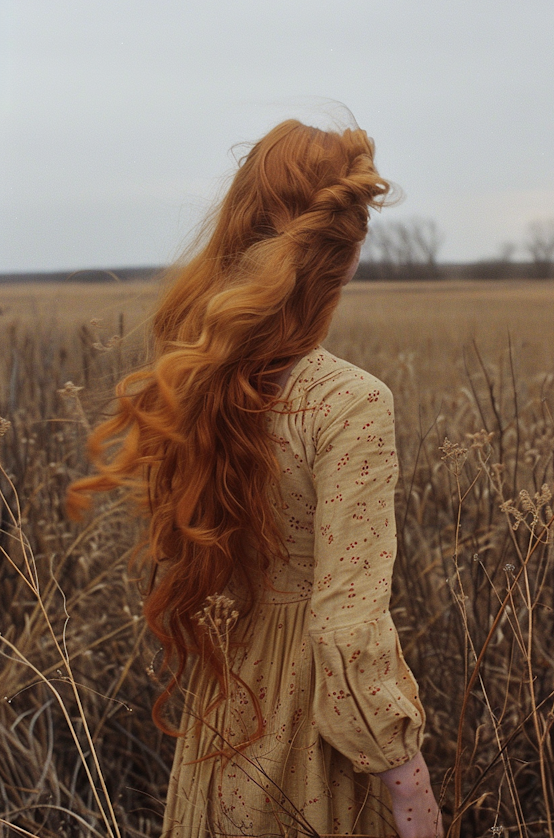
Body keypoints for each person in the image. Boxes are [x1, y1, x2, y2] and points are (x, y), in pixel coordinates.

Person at [68, 119, 443, 837]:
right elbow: (346, 624)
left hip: (225, 713)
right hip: (313, 738)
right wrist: (406, 779)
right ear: (349, 249)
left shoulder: (203, 382)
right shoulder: (351, 402)